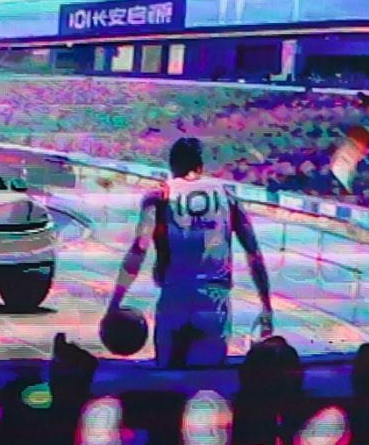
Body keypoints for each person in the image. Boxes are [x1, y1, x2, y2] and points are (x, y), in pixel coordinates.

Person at [107, 133, 275, 371]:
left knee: (168, 377)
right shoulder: (227, 195)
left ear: (172, 166)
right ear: (200, 166)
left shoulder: (159, 195)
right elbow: (254, 253)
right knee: (208, 379)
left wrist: (115, 302)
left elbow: (140, 247)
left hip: (175, 293)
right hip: (214, 298)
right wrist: (266, 306)